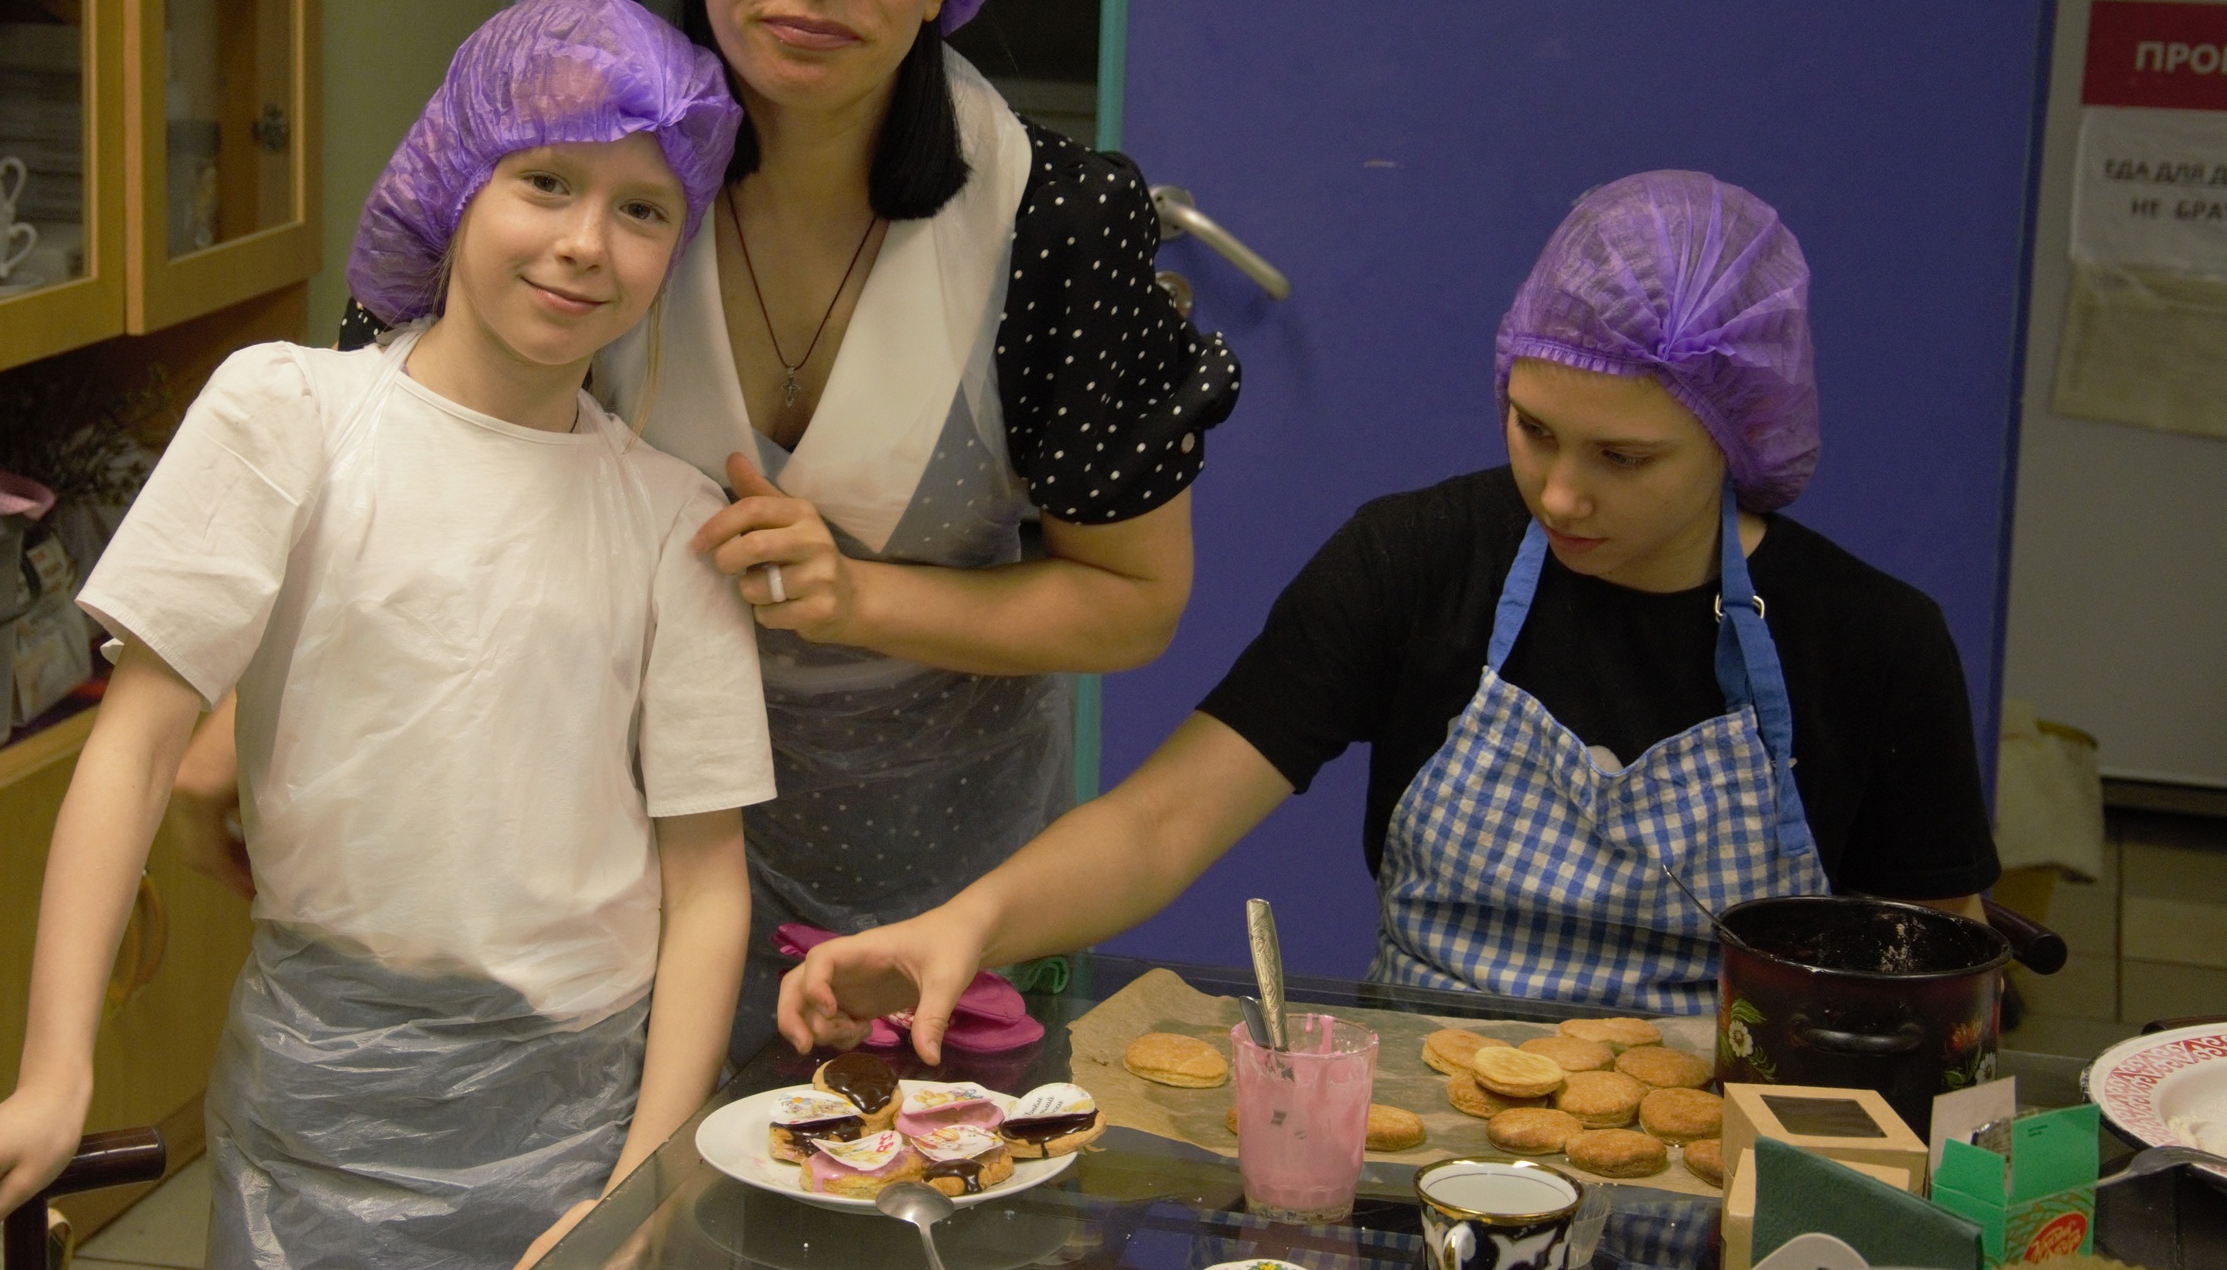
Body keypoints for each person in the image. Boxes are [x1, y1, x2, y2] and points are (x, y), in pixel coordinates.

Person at [178, 0, 1241, 1058]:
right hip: (585, 845)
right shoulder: (573, 171)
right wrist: (227, 698)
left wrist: (859, 596)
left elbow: (1131, 602)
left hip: (944, 871)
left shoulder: (1054, 224)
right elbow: (372, 443)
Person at [0, 0, 776, 1270]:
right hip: (316, 1109)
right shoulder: (290, 415)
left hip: (584, 1122)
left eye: (641, 209)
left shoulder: (676, 525)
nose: (584, 244)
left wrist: (644, 1188)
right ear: (453, 179)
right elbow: (132, 751)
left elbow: (706, 882)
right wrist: (53, 1078)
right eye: (545, 182)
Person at [781, 171, 2002, 1059]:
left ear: (1737, 440)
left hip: (1724, 1152)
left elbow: (1944, 999)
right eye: (1532, 430)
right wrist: (966, 924)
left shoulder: (1871, 644)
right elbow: (1163, 822)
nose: (1561, 493)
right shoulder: (1416, 562)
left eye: (1626, 460)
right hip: (1416, 1142)